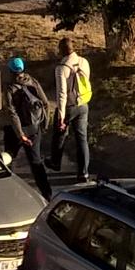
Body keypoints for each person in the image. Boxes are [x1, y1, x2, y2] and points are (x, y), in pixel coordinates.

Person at [2, 57, 54, 194]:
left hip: (16, 130)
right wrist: (44, 124)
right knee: (36, 162)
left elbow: (12, 113)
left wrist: (20, 134)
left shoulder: (10, 88)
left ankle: (8, 191)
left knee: (8, 159)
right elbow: (46, 103)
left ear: (10, 71)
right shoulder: (32, 81)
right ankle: (47, 193)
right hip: (34, 128)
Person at [50, 35, 95, 182]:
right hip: (83, 104)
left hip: (69, 106)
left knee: (59, 133)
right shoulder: (84, 62)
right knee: (82, 139)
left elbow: (62, 93)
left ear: (61, 50)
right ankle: (83, 173)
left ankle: (55, 162)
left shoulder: (61, 68)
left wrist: (61, 116)